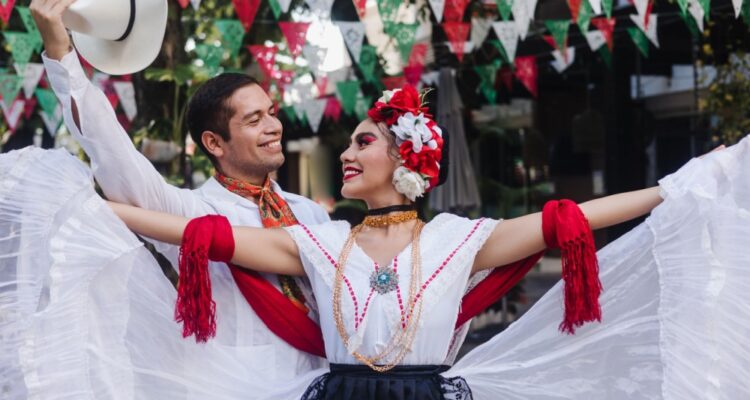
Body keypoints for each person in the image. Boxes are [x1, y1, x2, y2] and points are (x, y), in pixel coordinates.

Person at [31, 85, 742, 399]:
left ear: (402, 163)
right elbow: (197, 235)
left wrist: (680, 187)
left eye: (361, 141)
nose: (346, 152)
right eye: (348, 143)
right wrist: (87, 209)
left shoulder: (456, 240)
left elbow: (573, 220)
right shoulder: (318, 240)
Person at [27, 0, 330, 388]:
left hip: (323, 385)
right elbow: (110, 146)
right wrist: (60, 53)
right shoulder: (189, 212)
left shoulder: (312, 216)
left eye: (271, 112)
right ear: (214, 143)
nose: (273, 126)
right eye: (254, 120)